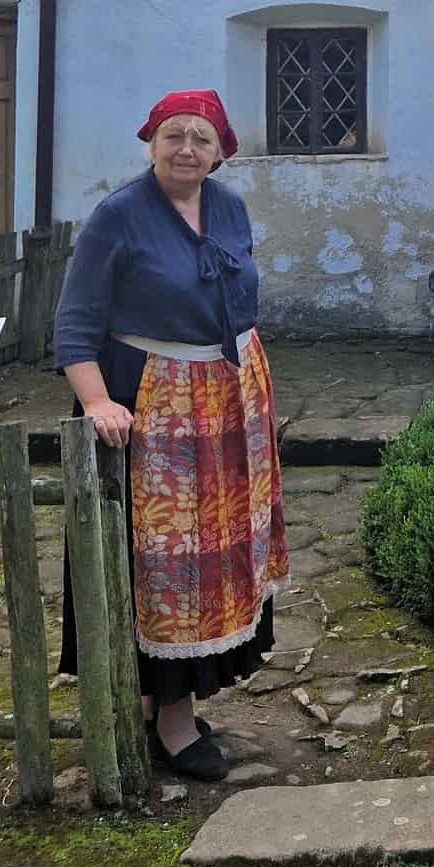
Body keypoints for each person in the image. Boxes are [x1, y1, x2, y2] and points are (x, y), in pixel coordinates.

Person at [52, 89, 289, 782]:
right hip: (156, 408)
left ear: (221, 151)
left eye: (201, 137)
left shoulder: (230, 208)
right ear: (150, 143)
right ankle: (173, 723)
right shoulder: (118, 216)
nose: (187, 148)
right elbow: (74, 322)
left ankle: (164, 704)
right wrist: (97, 401)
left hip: (229, 401)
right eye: (173, 135)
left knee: (217, 557)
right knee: (167, 565)